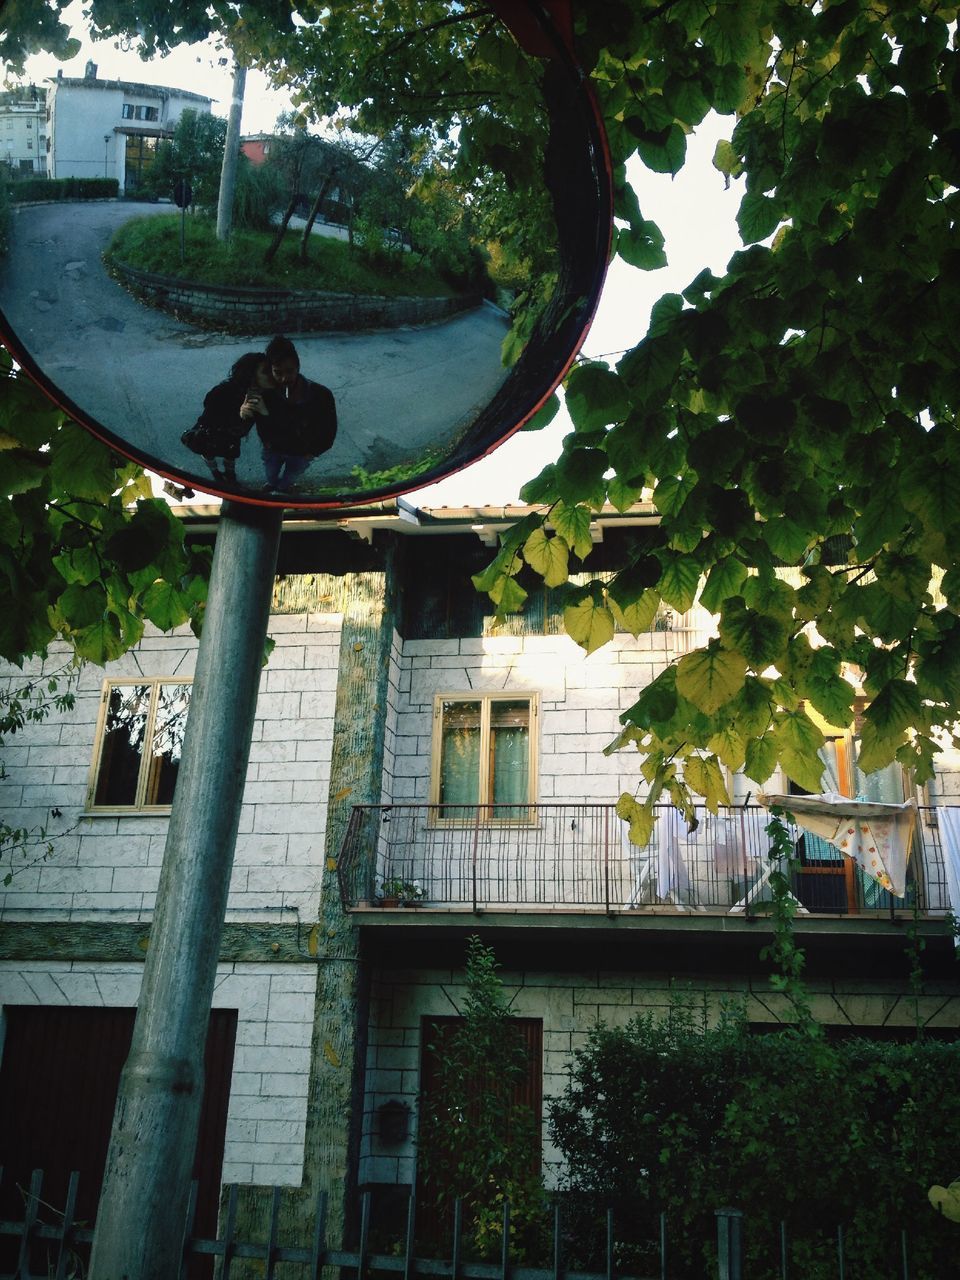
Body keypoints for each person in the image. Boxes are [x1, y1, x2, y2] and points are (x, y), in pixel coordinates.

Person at [257, 335, 337, 492]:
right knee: (271, 473)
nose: (284, 378)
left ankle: (283, 487)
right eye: (278, 372)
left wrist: (313, 451)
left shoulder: (321, 394)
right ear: (270, 370)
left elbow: (329, 429)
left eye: (289, 371)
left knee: (291, 475)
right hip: (274, 450)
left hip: (301, 454)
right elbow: (261, 422)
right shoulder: (267, 394)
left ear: (298, 367)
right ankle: (274, 484)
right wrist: (267, 441)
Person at [184, 352, 273, 484]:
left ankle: (229, 474)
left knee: (230, 455)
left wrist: (262, 412)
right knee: (209, 452)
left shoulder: (265, 395)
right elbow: (210, 410)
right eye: (266, 372)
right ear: (251, 375)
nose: (272, 375)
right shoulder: (225, 391)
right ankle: (216, 473)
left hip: (233, 435)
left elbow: (270, 427)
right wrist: (240, 415)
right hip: (212, 432)